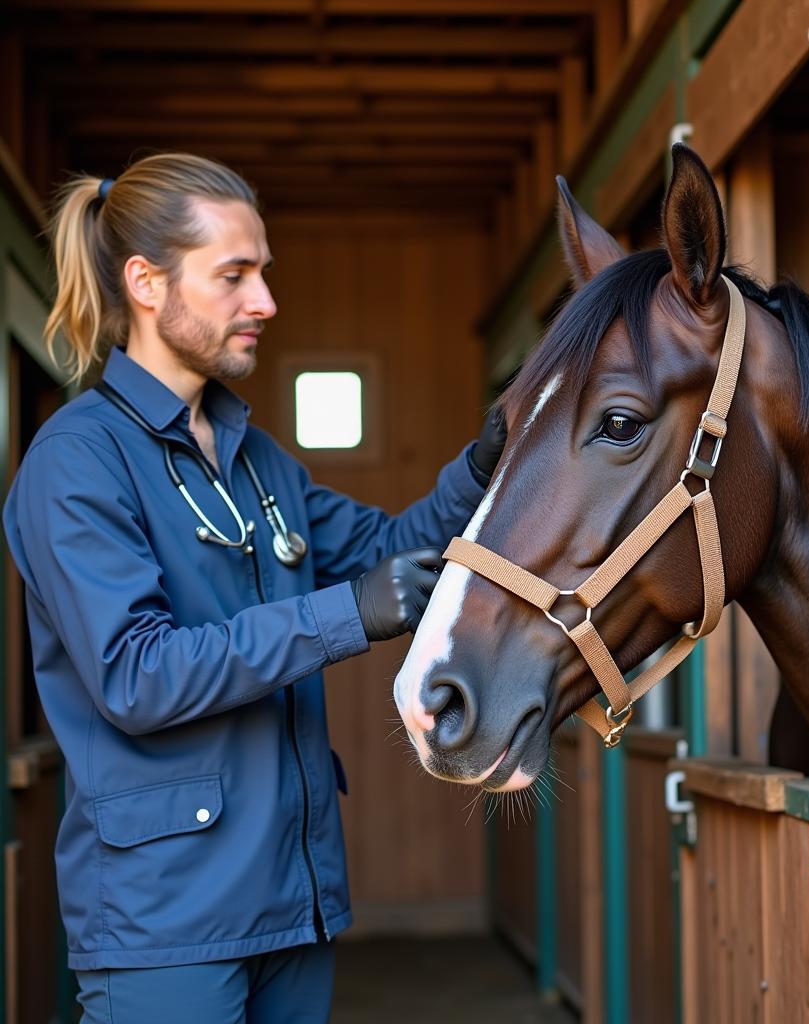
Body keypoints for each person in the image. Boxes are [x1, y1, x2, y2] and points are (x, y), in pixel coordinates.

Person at [2, 153, 505, 1022]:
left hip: (292, 901)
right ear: (147, 283)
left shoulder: (256, 459)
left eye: (263, 272)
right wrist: (347, 614)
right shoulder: (77, 462)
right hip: (167, 927)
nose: (265, 300)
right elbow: (137, 674)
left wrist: (494, 455)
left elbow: (388, 551)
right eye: (234, 275)